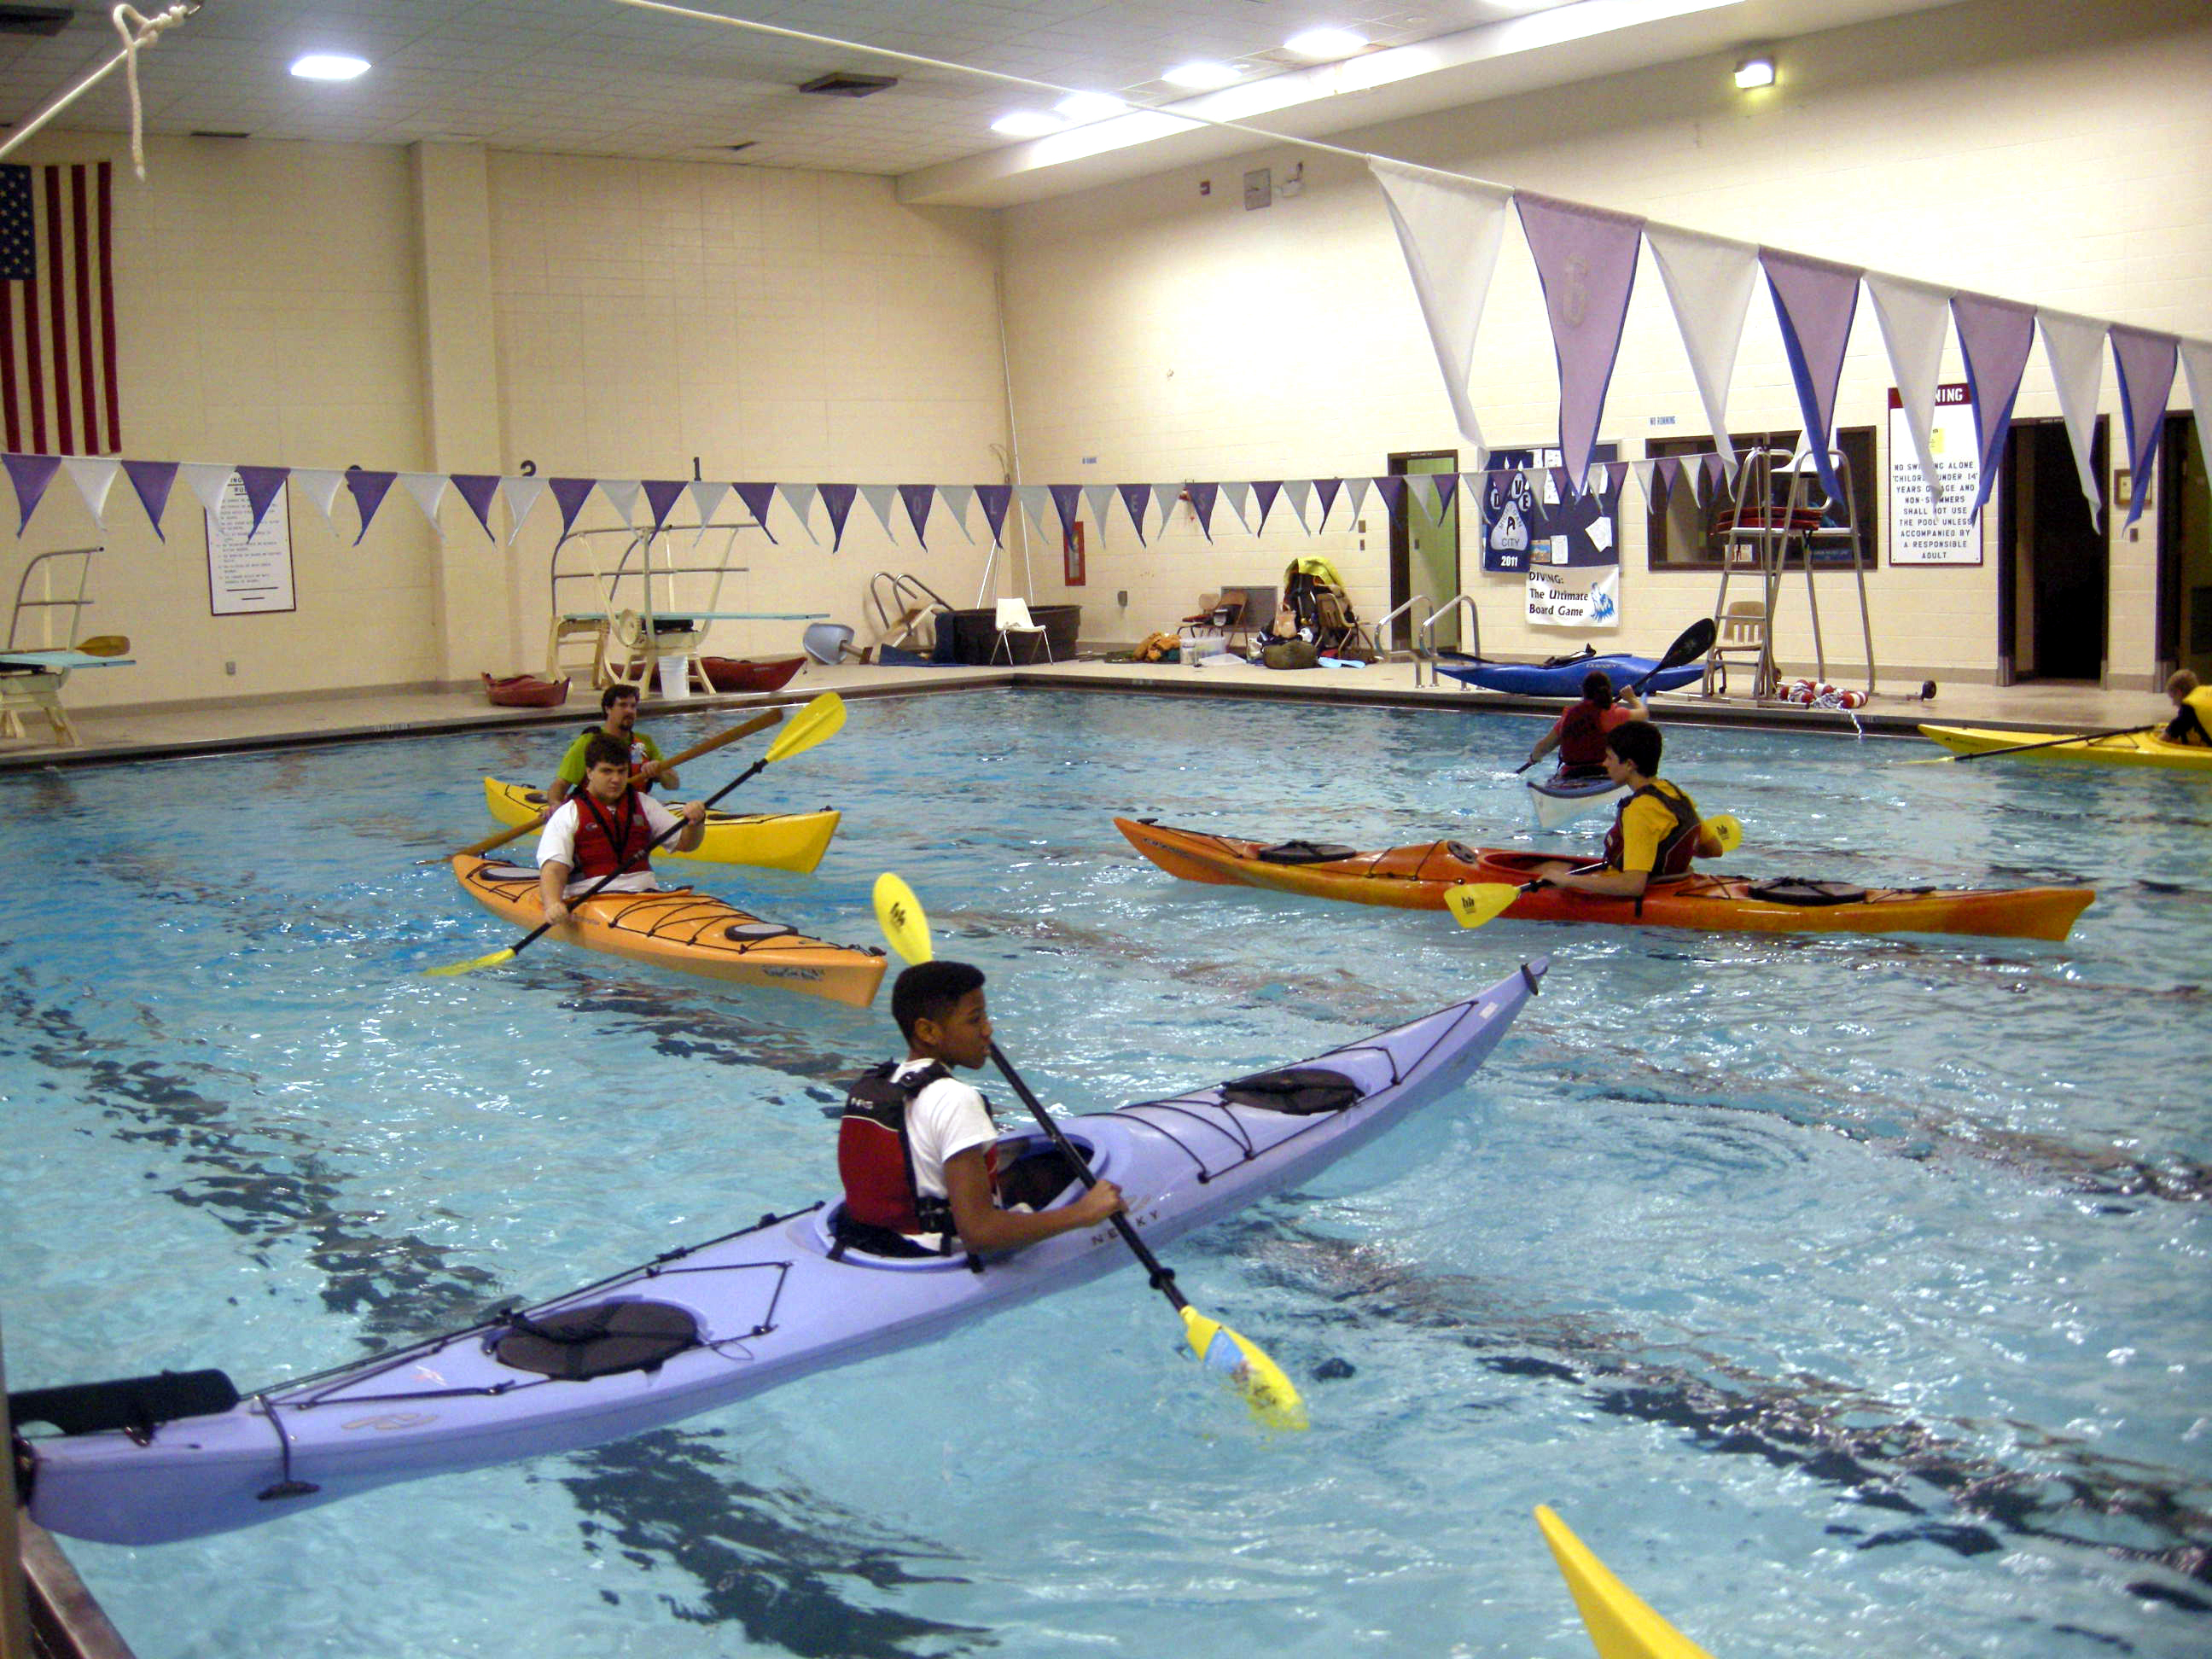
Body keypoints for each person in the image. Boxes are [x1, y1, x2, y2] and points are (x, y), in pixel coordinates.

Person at [835, 959, 1124, 1259]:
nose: (988, 1030)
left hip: (871, 1239)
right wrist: (1082, 1213)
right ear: (928, 1032)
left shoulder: (884, 1083)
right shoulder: (956, 1098)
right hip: (929, 1253)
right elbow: (979, 1235)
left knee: (1036, 1173)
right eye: (974, 1020)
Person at [1529, 720, 1722, 899]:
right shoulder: (1676, 794)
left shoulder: (1639, 811)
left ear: (1630, 765)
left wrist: (1567, 881)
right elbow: (1714, 849)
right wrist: (1670, 850)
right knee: (1549, 866)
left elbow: (1632, 886)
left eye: (1610, 757)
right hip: (1672, 884)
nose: (1605, 763)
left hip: (1634, 893)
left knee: (1539, 872)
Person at [534, 735, 705, 926]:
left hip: (648, 898)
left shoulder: (645, 804)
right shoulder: (568, 813)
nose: (616, 779)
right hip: (593, 900)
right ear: (589, 772)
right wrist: (552, 904)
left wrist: (696, 823)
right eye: (607, 771)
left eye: (621, 771)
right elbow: (554, 870)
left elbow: (687, 844)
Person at [547, 684, 678, 810]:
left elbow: (673, 785)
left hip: (636, 811)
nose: (629, 711)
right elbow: (561, 784)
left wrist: (660, 771)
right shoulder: (587, 743)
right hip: (597, 811)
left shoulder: (645, 743)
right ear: (607, 709)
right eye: (622, 705)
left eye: (633, 706)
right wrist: (555, 805)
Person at [1522, 670, 1649, 777]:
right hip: (1603, 773)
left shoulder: (1568, 717)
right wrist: (1632, 698)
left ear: (1583, 693)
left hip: (1571, 774)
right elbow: (1644, 715)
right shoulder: (1614, 714)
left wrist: (1533, 758)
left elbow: (1544, 746)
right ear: (1608, 691)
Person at [2163, 669, 2212, 747]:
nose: (2173, 704)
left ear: (2179, 693)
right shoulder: (2206, 692)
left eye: (2173, 698)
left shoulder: (2190, 707)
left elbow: (2173, 731)